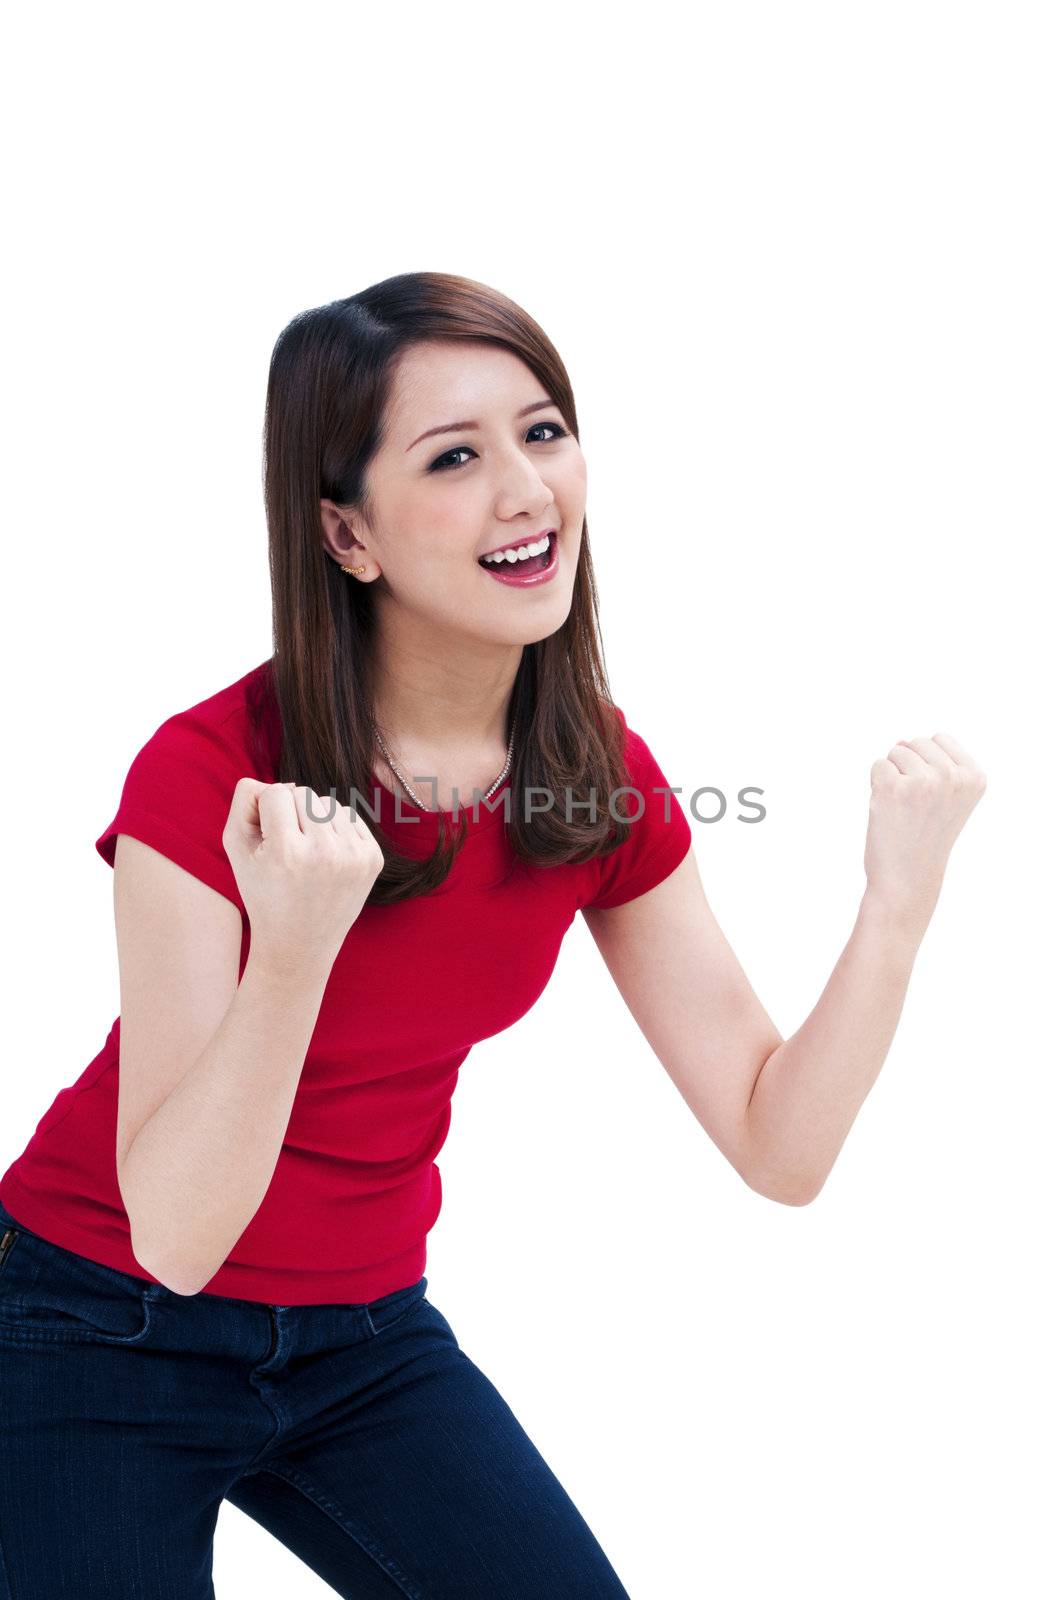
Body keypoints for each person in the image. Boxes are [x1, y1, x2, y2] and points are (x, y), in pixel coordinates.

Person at [0, 272, 986, 1599]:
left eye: (544, 431)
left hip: (364, 1338)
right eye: (455, 457)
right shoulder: (206, 775)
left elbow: (778, 1143)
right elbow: (177, 1237)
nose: (527, 489)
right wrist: (294, 951)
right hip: (93, 1322)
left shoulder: (590, 777)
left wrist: (897, 907)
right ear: (347, 535)